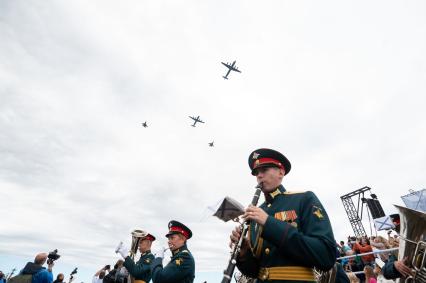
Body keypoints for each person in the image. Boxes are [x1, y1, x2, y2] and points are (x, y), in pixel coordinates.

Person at [230, 148, 340, 282]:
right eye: (256, 173)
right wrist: (244, 253)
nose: (259, 175)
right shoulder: (257, 213)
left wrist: (269, 223)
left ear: (281, 172)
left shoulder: (304, 199)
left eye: (264, 170)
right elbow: (254, 272)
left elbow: (326, 256)